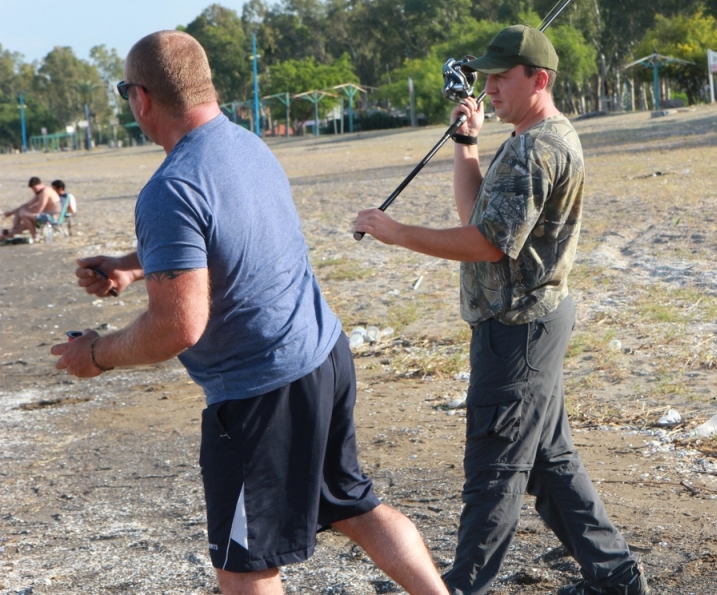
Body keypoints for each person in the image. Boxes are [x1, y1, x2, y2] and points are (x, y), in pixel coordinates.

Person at [51, 30, 448, 595]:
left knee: (244, 564)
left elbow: (176, 327)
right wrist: (131, 265)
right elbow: (227, 239)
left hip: (262, 390)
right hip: (323, 354)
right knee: (355, 506)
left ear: (140, 98)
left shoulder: (170, 187)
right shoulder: (245, 145)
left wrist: (96, 353)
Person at [354, 24, 650, 595]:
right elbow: (478, 218)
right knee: (547, 461)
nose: (488, 87)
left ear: (538, 79)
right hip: (531, 323)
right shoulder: (529, 140)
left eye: (500, 77)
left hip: (517, 332)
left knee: (494, 469)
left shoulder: (538, 148)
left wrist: (398, 233)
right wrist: (467, 143)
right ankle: (615, 579)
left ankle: (460, 587)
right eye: (485, 76)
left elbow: (488, 243)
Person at [3, 176, 60, 241]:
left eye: (35, 188)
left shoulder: (45, 192)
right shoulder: (40, 192)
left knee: (23, 214)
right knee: (21, 213)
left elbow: (39, 209)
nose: (34, 191)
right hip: (45, 215)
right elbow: (28, 204)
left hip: (51, 217)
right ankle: (10, 234)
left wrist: (26, 212)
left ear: (41, 184)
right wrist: (11, 212)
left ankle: (35, 236)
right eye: (33, 189)